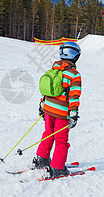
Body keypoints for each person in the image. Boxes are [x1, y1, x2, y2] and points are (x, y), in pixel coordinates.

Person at [30, 41, 82, 178]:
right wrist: (74, 114)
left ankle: (41, 159)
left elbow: (46, 91)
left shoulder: (52, 70)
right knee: (61, 140)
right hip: (61, 113)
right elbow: (74, 96)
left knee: (48, 133)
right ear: (75, 56)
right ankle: (57, 167)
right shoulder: (74, 75)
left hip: (48, 109)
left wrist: (42, 105)